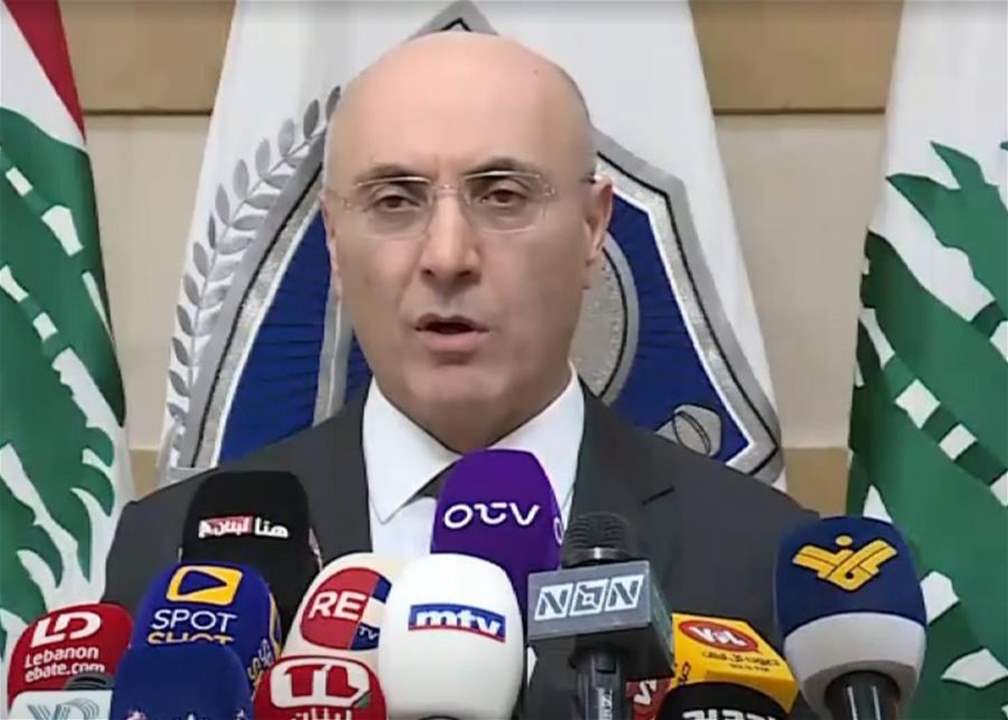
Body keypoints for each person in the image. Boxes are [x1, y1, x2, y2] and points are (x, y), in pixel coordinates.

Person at [104, 31, 815, 716]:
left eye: (502, 195)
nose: (447, 256)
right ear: (334, 241)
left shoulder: (761, 558)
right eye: (394, 200)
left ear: (593, 228)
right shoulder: (169, 556)